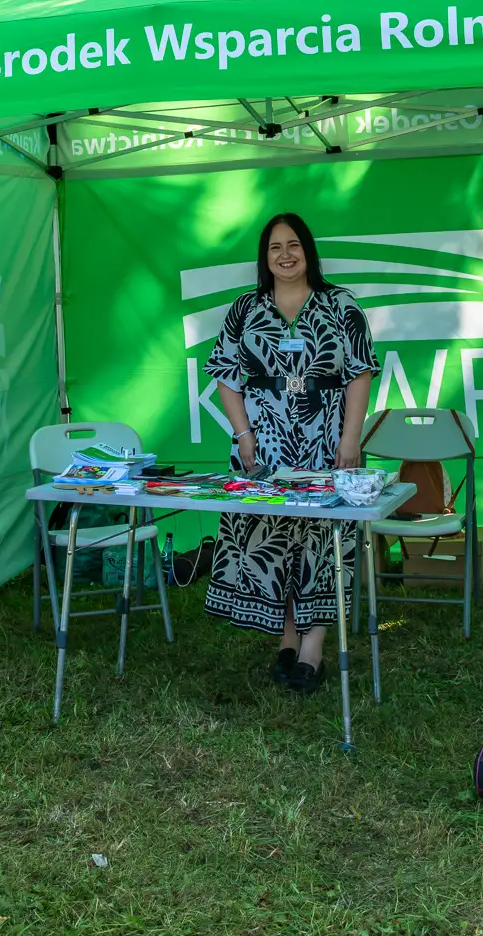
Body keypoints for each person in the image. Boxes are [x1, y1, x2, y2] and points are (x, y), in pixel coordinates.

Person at [204, 213, 376, 693]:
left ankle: (314, 647)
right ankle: (286, 638)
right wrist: (243, 435)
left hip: (327, 439)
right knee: (272, 535)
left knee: (322, 538)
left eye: (294, 244)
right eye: (275, 247)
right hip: (264, 442)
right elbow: (225, 375)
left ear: (308, 250)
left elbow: (360, 373)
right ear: (265, 257)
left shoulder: (341, 305)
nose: (285, 255)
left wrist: (351, 438)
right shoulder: (246, 308)